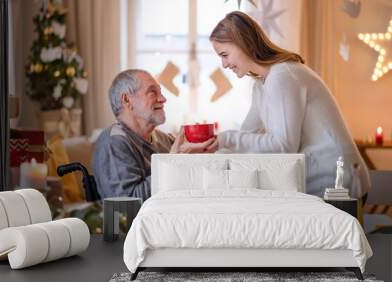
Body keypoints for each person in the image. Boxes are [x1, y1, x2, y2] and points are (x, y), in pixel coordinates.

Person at [208, 11, 370, 197]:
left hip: (339, 184)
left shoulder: (283, 76)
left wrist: (226, 139)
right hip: (318, 184)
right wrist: (215, 152)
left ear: (243, 43)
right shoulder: (262, 85)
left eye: (224, 54)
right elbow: (246, 136)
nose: (224, 64)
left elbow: (283, 146)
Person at [93, 69, 216, 201]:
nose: (163, 99)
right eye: (152, 92)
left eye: (161, 92)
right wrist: (173, 163)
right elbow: (126, 205)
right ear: (127, 100)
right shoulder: (113, 143)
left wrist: (198, 156)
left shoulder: (163, 138)